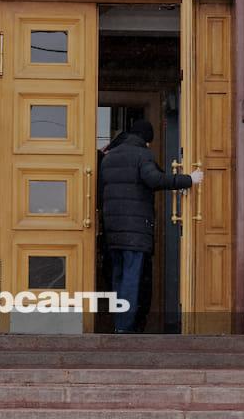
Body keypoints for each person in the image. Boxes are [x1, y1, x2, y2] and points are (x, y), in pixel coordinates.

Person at [97, 119, 203, 333]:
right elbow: (154, 179)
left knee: (118, 277)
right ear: (146, 139)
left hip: (112, 229)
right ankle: (125, 327)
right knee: (131, 278)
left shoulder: (108, 158)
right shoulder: (142, 154)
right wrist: (188, 179)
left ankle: (119, 324)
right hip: (135, 231)